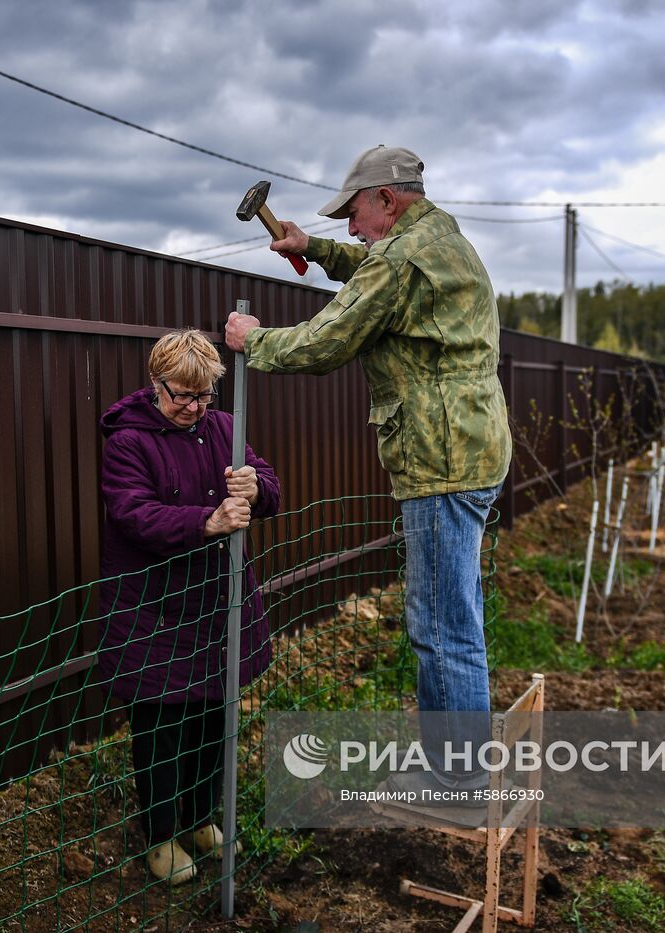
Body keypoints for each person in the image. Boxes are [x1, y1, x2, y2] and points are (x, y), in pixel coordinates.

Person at [225, 145, 511, 792]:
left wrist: (256, 341)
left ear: (388, 198)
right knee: (451, 617)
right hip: (469, 449)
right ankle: (457, 768)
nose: (349, 228)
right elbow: (375, 269)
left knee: (440, 624)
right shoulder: (435, 237)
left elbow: (330, 339)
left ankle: (459, 778)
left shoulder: (404, 256)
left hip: (440, 459)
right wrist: (316, 248)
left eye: (353, 213)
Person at [96, 329, 280, 884]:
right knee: (161, 729)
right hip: (153, 609)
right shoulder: (127, 441)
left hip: (216, 605)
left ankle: (200, 818)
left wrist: (255, 487)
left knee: (213, 719)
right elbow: (133, 514)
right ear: (156, 385)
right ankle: (160, 838)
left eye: (203, 397)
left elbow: (269, 486)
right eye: (181, 395)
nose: (193, 408)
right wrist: (206, 522)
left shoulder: (224, 429)